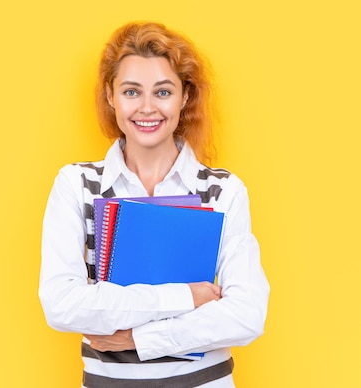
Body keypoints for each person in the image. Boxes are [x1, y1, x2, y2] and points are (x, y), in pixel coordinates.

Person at [39, 21, 270, 387]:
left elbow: (246, 315)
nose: (147, 108)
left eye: (163, 92)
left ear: (185, 97)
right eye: (132, 92)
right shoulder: (78, 185)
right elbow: (63, 305)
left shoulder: (224, 190)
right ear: (111, 96)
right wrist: (188, 297)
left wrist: (136, 339)